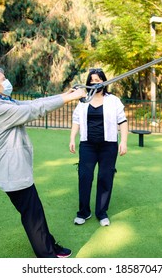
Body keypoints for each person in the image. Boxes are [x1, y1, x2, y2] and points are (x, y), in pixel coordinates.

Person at [0, 65, 85, 258]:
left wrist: (63, 94)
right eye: (3, 79)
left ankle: (50, 246)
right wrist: (70, 98)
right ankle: (47, 256)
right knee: (32, 216)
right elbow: (36, 110)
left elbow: (33, 103)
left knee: (34, 212)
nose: (6, 81)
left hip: (17, 171)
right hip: (12, 173)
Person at [69, 68, 128, 227]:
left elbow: (122, 121)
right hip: (88, 145)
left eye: (99, 80)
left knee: (105, 177)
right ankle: (84, 212)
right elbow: (76, 120)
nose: (95, 83)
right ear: (88, 83)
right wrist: (72, 138)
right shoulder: (83, 101)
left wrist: (123, 141)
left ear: (104, 81)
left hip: (108, 145)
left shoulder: (113, 100)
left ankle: (101, 212)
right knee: (85, 176)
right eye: (92, 80)